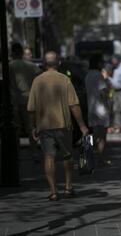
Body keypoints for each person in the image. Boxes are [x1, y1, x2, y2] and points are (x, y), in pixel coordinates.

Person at [27, 51, 89, 201]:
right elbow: (74, 105)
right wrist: (82, 126)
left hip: (44, 125)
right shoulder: (65, 80)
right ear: (59, 63)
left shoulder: (37, 81)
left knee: (49, 157)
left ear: (44, 64)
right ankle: (68, 187)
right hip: (63, 125)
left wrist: (33, 127)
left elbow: (31, 109)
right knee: (67, 155)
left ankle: (53, 191)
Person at [9, 42, 42, 162]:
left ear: (12, 52)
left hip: (15, 101)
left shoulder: (10, 66)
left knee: (15, 129)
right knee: (31, 128)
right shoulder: (30, 65)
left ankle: (16, 154)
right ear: (22, 52)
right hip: (30, 100)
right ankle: (34, 153)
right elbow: (40, 76)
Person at [85, 54, 111, 166]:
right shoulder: (98, 75)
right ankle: (101, 159)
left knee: (93, 134)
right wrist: (108, 104)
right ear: (98, 63)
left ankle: (86, 156)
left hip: (91, 107)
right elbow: (103, 92)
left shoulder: (87, 75)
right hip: (101, 109)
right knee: (102, 136)